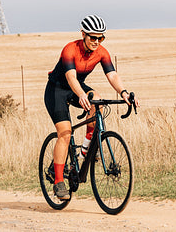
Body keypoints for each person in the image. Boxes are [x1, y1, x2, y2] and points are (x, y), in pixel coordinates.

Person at [44, 15, 139, 200]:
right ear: (83, 34)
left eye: (100, 38)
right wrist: (80, 95)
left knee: (97, 100)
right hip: (57, 90)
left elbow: (112, 75)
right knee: (65, 132)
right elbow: (71, 77)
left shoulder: (102, 52)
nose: (97, 41)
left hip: (76, 88)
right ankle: (58, 182)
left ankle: (87, 150)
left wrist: (124, 93)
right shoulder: (70, 49)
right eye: (93, 37)